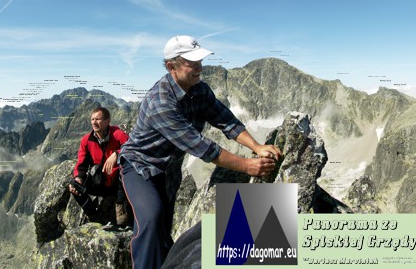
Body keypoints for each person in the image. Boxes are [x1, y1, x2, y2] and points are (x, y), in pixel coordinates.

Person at [119, 35, 279, 269]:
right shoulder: (160, 102)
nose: (199, 68)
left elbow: (225, 119)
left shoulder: (199, 89)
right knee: (151, 220)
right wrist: (247, 166)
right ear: (170, 66)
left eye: (200, 62)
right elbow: (202, 147)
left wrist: (256, 147)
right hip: (140, 168)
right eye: (192, 63)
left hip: (168, 170)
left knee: (162, 227)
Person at [67, 106, 132, 231]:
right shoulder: (86, 140)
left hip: (117, 184)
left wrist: (118, 154)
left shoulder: (117, 134)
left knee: (126, 167)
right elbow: (81, 163)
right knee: (73, 185)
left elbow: (132, 146)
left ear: (107, 121)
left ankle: (120, 205)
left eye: (98, 119)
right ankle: (93, 214)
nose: (94, 122)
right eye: (92, 119)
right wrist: (78, 178)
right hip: (99, 182)